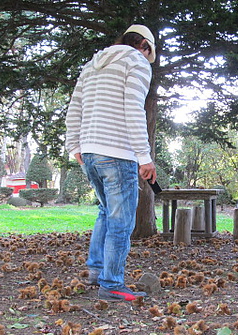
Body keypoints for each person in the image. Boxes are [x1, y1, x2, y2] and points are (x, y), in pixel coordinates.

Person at [65, 24, 157, 302]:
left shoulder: (92, 65)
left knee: (106, 212)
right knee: (121, 221)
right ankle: (112, 284)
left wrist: (75, 146)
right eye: (148, 52)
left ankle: (96, 271)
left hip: (90, 152)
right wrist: (144, 156)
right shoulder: (137, 61)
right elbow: (133, 108)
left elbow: (74, 107)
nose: (147, 56)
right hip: (118, 153)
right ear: (143, 45)